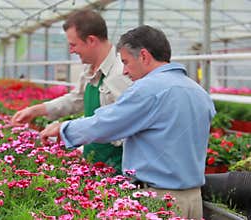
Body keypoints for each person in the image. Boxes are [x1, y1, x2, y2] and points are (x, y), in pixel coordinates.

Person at [40, 25, 216, 219]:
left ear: (144, 56)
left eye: (126, 62)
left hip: (159, 201)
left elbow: (107, 124)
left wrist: (63, 129)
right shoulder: (199, 92)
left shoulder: (148, 89)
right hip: (193, 199)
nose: (124, 71)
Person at [11, 10, 132, 174]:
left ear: (91, 40)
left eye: (73, 45)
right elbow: (78, 98)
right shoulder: (90, 67)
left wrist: (67, 129)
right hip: (94, 160)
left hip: (117, 166)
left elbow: (122, 123)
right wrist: (36, 110)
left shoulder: (121, 73)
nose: (71, 51)